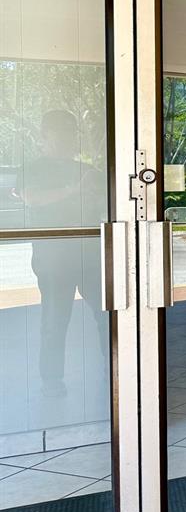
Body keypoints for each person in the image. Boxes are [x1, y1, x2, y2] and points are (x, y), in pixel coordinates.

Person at [17, 110, 106, 398]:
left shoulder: (85, 169)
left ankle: (114, 368)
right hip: (53, 257)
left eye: (71, 132)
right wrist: (74, 189)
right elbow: (33, 198)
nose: (68, 138)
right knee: (55, 319)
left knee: (108, 314)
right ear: (45, 136)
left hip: (90, 255)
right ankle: (51, 380)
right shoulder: (33, 168)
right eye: (61, 132)